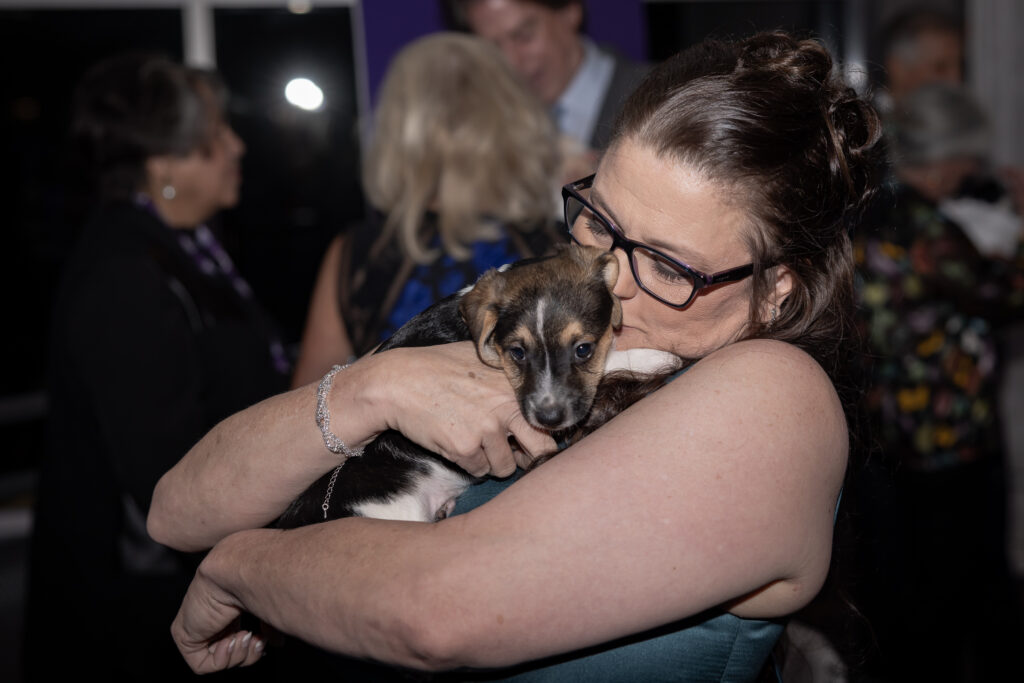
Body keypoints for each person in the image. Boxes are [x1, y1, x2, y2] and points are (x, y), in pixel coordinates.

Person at [148, 31, 883, 680]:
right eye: (599, 220)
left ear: (774, 291)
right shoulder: (560, 313)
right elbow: (176, 510)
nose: (611, 280)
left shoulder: (773, 399)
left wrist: (240, 568)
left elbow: (436, 612)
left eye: (669, 266)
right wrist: (372, 386)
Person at [23, 53, 290, 682]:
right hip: (141, 618)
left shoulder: (184, 252)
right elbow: (163, 483)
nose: (238, 145)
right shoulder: (126, 276)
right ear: (164, 165)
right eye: (216, 136)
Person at [852, 82, 1024, 682]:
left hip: (885, 431)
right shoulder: (926, 229)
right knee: (958, 595)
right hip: (946, 434)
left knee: (904, 589)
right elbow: (1004, 297)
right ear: (948, 155)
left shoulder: (868, 212)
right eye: (968, 156)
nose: (972, 169)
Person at [290, 32, 564, 387]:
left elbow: (309, 412)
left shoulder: (361, 255)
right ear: (511, 119)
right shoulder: (562, 246)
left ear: (398, 131)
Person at [440, 0, 649, 184]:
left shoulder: (665, 95)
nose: (511, 61)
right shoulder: (478, 124)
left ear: (569, 11)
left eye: (524, 36)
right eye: (492, 49)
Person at [874, 6, 963, 116]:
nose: (955, 80)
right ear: (899, 69)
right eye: (940, 68)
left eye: (961, 67)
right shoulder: (870, 126)